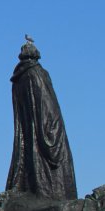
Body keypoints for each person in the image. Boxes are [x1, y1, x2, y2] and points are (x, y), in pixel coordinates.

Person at [6, 36, 76, 200]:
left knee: (30, 149)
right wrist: (53, 128)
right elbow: (48, 105)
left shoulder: (18, 79)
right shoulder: (38, 73)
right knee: (55, 160)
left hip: (30, 129)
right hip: (46, 124)